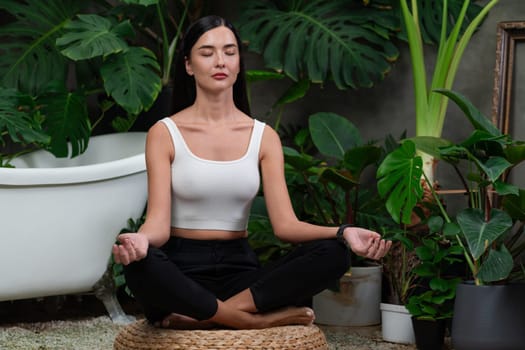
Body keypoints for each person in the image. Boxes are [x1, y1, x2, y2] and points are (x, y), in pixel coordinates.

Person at [112, 15, 392, 330]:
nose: (220, 61)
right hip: (181, 273)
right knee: (139, 265)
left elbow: (286, 226)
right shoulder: (165, 132)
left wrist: (343, 232)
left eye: (229, 52)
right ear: (189, 65)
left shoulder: (263, 136)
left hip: (241, 275)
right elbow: (158, 226)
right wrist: (138, 240)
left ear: (239, 63)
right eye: (207, 53)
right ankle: (253, 321)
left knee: (335, 254)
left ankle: (209, 316)